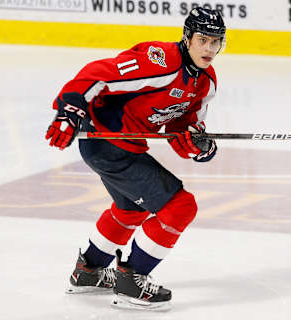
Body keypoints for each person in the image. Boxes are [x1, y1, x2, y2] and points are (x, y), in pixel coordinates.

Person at [45, 7, 226, 311]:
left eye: (216, 41)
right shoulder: (163, 61)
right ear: (187, 37)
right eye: (203, 39)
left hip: (123, 145)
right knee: (181, 206)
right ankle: (132, 280)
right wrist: (70, 107)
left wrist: (198, 145)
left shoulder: (205, 82)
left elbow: (182, 131)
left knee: (130, 209)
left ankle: (88, 272)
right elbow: (100, 73)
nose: (209, 48)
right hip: (107, 141)